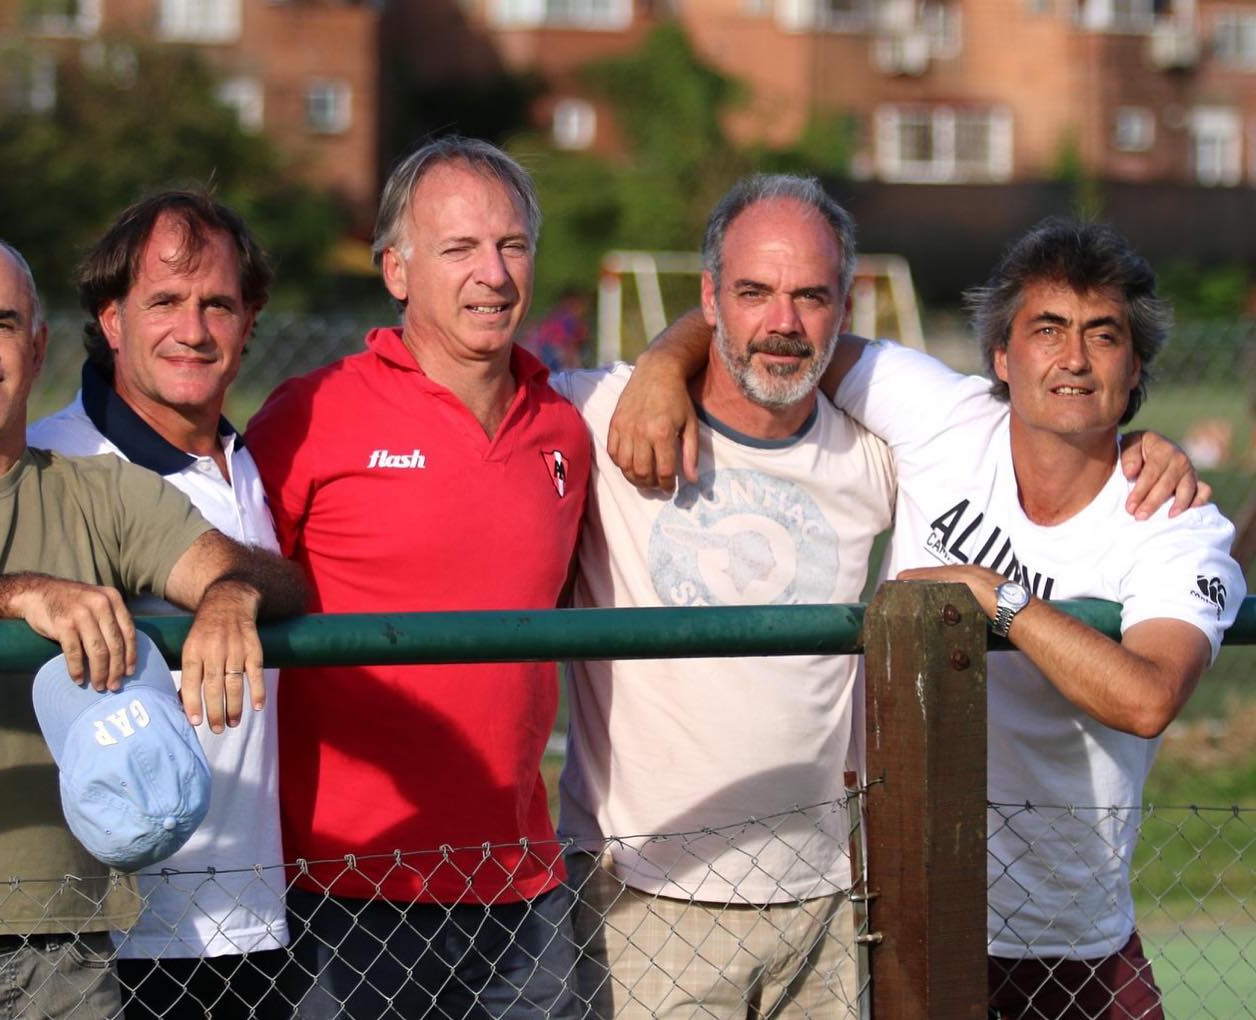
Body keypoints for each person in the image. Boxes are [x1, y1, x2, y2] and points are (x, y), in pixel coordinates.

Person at [608, 218, 1243, 1018]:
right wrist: (666, 362)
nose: (1074, 358)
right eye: (1047, 330)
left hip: (1067, 941)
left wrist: (994, 599)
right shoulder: (940, 414)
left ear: (1136, 365)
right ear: (1001, 359)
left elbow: (1148, 698)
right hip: (904, 919)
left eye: (1102, 336)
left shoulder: (1174, 521)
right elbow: (776, 330)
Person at [0, 233, 307, 1019]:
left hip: (67, 950)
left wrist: (228, 597)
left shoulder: (103, 493)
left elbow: (261, 573)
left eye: (1, 323)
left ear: (38, 345)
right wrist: (21, 596)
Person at [243, 136, 590, 1018]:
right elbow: (223, 577)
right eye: (460, 248)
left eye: (512, 246)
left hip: (521, 889)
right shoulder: (312, 414)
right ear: (397, 269)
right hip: (343, 889)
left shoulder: (565, 427)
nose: (495, 274)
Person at [551, 174, 893, 1018]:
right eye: (753, 293)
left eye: (810, 296)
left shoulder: (876, 458)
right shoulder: (602, 417)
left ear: (843, 307)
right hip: (644, 905)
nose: (783, 323)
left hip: (824, 902)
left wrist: (1143, 449)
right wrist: (665, 362)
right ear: (709, 297)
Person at [25, 189, 292, 1019]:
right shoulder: (52, 464)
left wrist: (232, 589)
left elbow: (287, 580)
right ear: (112, 320)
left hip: (253, 919)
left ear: (248, 322)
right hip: (111, 939)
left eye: (219, 303)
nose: (195, 327)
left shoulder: (248, 460)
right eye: (165, 302)